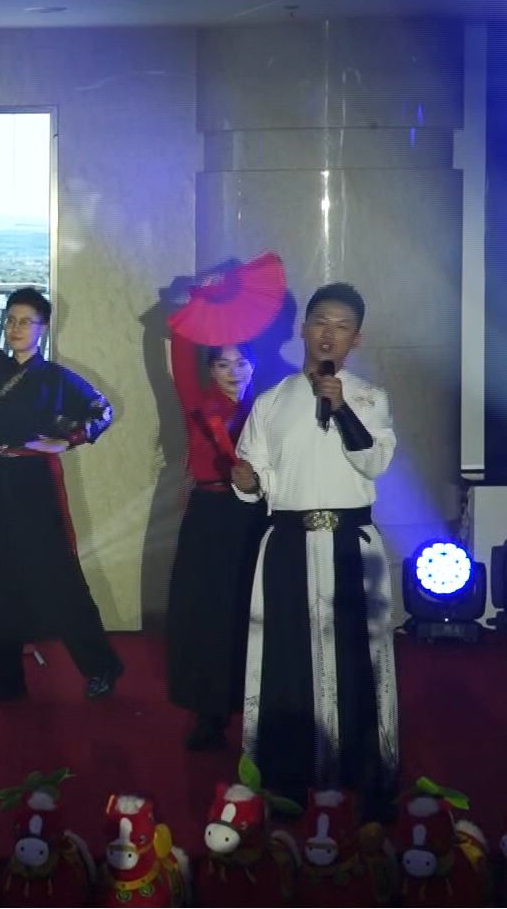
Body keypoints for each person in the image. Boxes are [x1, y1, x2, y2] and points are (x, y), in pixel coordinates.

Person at [231, 282, 398, 819]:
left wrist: (341, 407)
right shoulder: (271, 401)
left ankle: (365, 782)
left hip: (352, 546)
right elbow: (256, 475)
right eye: (321, 321)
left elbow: (373, 463)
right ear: (304, 328)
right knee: (285, 660)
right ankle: (285, 780)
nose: (329, 334)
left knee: (358, 662)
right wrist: (247, 482)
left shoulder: (370, 398)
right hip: (287, 544)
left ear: (356, 338)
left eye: (342, 326)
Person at [0, 255, 123, 701]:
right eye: (11, 321)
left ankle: (101, 667)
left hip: (36, 483)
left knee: (57, 577)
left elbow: (102, 410)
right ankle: (7, 680)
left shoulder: (57, 378)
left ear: (43, 328)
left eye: (27, 321)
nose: (16, 328)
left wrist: (70, 439)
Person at [164, 335, 267, 751]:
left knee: (252, 610)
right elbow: (181, 359)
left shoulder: (265, 410)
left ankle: (260, 709)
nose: (233, 372)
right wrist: (190, 314)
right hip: (210, 517)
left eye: (241, 363)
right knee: (208, 614)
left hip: (255, 517)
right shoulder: (200, 404)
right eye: (223, 364)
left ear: (254, 366)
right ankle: (210, 715)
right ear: (209, 370)